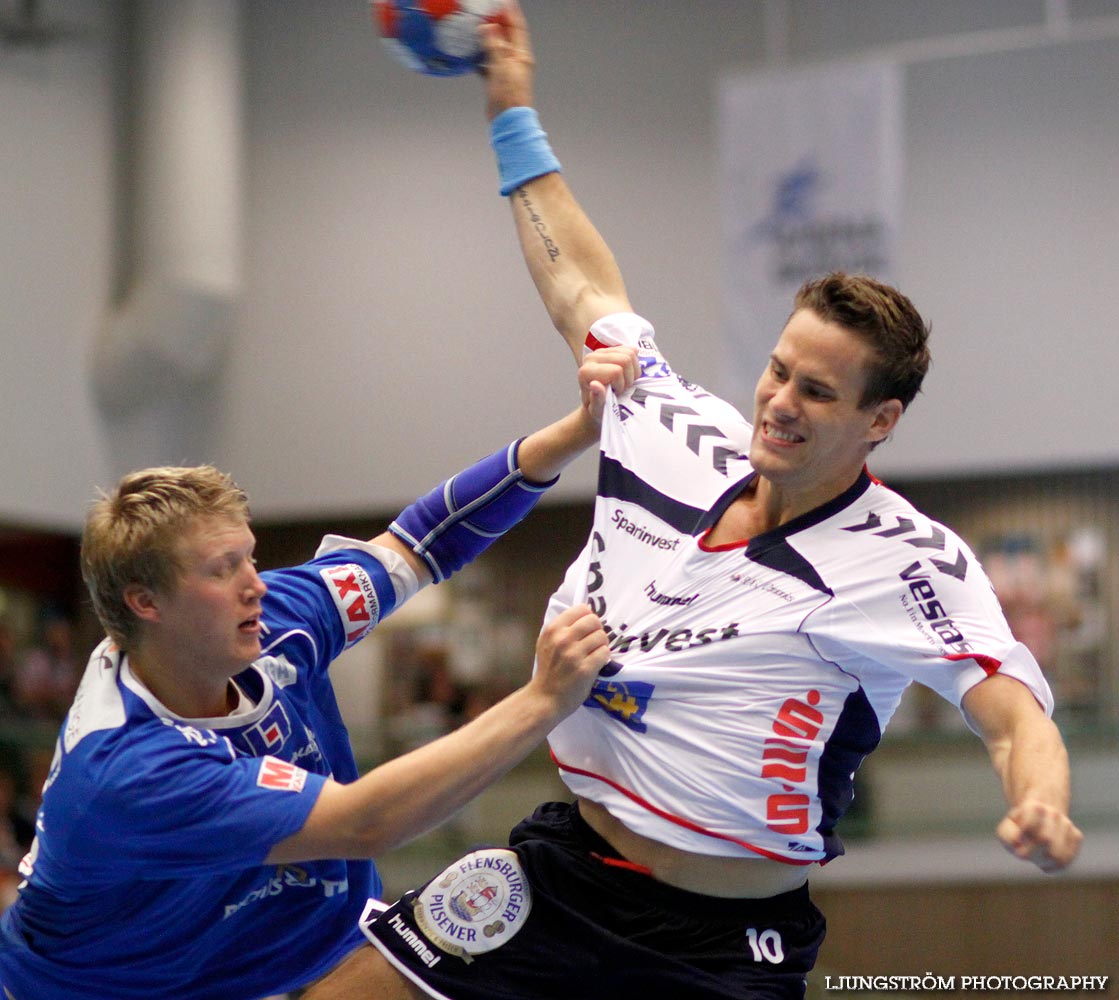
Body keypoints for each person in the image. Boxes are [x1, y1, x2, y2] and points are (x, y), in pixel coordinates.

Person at [307, 5, 1084, 999]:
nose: (780, 405)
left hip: (719, 943)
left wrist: (1042, 804)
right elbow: (580, 284)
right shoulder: (673, 427)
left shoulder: (909, 561)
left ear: (879, 420)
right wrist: (511, 110)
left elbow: (1015, 719)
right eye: (778, 371)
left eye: (817, 392)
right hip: (558, 874)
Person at [0, 343, 640, 1000]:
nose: (256, 585)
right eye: (222, 570)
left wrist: (577, 431)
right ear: (145, 602)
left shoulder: (279, 614)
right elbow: (365, 823)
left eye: (249, 558)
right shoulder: (129, 769)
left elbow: (424, 542)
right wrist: (540, 700)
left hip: (302, 947)